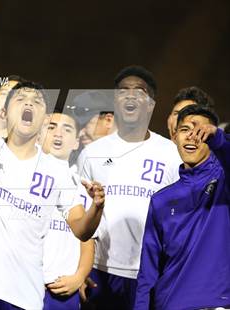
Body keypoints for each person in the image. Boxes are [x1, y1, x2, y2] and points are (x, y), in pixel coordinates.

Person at [0, 3, 105, 309]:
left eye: (37, 101)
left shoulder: (57, 170)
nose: (29, 103)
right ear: (4, 111)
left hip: (25, 298)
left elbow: (82, 229)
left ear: (43, 119)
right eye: (21, 98)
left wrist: (97, 208)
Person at [77, 65, 182, 309]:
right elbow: (80, 218)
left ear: (151, 104)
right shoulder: (92, 154)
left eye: (140, 91)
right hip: (100, 271)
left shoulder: (170, 154)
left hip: (151, 273)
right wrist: (80, 269)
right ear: (115, 101)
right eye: (124, 90)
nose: (131, 95)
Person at [135, 105, 230, 310]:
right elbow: (148, 271)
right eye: (185, 130)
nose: (192, 136)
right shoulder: (161, 199)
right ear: (175, 137)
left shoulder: (224, 182)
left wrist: (218, 137)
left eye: (200, 131)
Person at [39, 112, 94, 310]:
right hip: (25, 286)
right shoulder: (23, 177)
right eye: (51, 127)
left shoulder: (83, 189)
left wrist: (79, 277)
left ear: (76, 142)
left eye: (67, 129)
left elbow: (87, 242)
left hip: (62, 294)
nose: (58, 134)